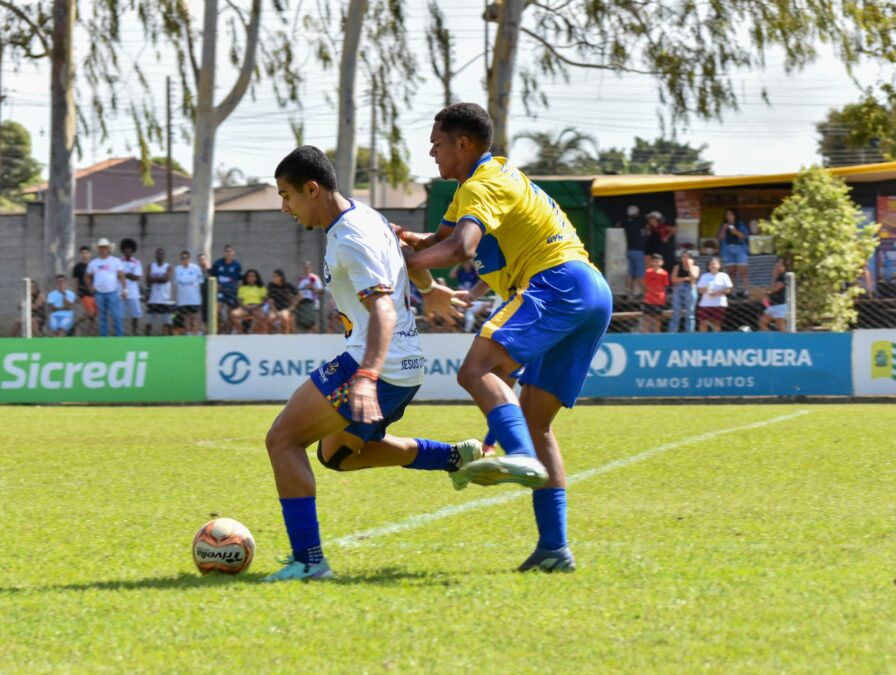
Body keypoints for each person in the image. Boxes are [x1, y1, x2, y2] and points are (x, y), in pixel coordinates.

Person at [402, 102, 613, 572]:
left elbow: (459, 248)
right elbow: (438, 239)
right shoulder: (475, 186)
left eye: (437, 143)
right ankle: (554, 550)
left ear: (463, 144)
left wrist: (411, 268)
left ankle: (514, 454)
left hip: (556, 282)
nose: (431, 151)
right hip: (588, 290)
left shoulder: (483, 183)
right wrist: (406, 243)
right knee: (536, 422)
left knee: (474, 370)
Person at [261, 146, 477, 581]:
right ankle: (454, 457)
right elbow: (401, 252)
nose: (285, 207)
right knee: (339, 455)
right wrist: (430, 288)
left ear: (312, 188)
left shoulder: (351, 238)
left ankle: (308, 561)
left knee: (282, 440)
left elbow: (382, 310)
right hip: (404, 365)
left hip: (375, 362)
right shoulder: (367, 217)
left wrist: (365, 375)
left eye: (287, 196)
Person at [85, 238, 126, 337]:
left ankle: (119, 338)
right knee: (102, 317)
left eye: (105, 248)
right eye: (101, 248)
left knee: (117, 316)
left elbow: (122, 276)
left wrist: (125, 289)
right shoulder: (93, 263)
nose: (103, 250)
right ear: (98, 249)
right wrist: (90, 287)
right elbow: (87, 276)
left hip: (113, 292)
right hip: (99, 293)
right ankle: (104, 339)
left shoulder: (115, 261)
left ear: (109, 249)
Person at [716, 209, 750, 297]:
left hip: (740, 248)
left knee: (743, 271)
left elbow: (744, 236)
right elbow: (720, 238)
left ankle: (746, 291)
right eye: (727, 215)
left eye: (731, 215)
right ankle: (733, 291)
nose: (729, 217)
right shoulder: (723, 225)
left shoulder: (740, 224)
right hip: (727, 248)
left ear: (735, 215)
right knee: (731, 272)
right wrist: (724, 229)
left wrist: (736, 231)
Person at [616, 205, 647, 296]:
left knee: (630, 273)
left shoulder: (625, 222)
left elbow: (617, 224)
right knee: (640, 274)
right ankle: (648, 295)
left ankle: (629, 294)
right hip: (638, 250)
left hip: (629, 250)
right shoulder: (639, 222)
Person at [210, 244, 243, 326]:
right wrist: (216, 285)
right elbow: (212, 276)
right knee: (217, 308)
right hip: (221, 290)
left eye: (230, 251)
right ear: (224, 253)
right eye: (226, 251)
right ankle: (220, 324)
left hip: (232, 291)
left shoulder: (237, 265)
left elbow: (239, 280)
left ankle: (227, 329)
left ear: (233, 253)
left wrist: (239, 291)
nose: (228, 253)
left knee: (231, 312)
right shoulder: (218, 263)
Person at [696, 257, 733, 332]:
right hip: (705, 304)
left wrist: (717, 293)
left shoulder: (724, 275)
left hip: (719, 303)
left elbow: (729, 289)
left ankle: (716, 341)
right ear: (708, 266)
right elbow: (699, 289)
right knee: (703, 323)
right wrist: (705, 289)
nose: (713, 266)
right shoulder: (704, 276)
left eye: (715, 264)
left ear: (719, 265)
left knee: (716, 323)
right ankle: (703, 341)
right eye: (711, 264)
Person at [174, 250, 205, 335]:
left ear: (189, 258)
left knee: (196, 317)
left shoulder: (196, 268)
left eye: (186, 258)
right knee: (186, 318)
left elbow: (200, 281)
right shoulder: (177, 269)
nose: (184, 260)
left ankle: (198, 333)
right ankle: (189, 334)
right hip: (183, 299)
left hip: (194, 298)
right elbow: (176, 283)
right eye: (182, 258)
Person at [145, 248, 176, 336]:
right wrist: (160, 278)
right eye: (158, 254)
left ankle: (172, 341)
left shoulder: (168, 266)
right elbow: (147, 280)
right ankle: (146, 340)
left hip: (164, 299)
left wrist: (154, 278)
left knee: (168, 322)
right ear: (155, 255)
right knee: (149, 322)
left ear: (165, 256)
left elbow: (166, 279)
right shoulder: (151, 266)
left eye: (162, 254)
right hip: (153, 299)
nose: (160, 255)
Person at [668, 250, 698, 333]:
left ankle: (689, 335)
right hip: (678, 289)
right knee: (676, 313)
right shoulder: (677, 267)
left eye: (687, 257)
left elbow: (693, 278)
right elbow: (673, 279)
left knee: (690, 314)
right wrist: (685, 278)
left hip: (690, 289)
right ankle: (672, 334)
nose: (685, 259)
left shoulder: (695, 267)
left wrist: (690, 267)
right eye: (683, 257)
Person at [230, 269, 268, 334]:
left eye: (253, 276)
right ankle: (241, 332)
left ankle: (261, 334)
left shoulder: (261, 287)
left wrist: (255, 306)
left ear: (256, 277)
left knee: (262, 317)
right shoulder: (242, 288)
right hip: (245, 307)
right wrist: (245, 306)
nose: (251, 278)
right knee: (233, 314)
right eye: (249, 276)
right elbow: (240, 300)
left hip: (257, 307)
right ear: (246, 278)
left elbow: (263, 300)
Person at [119, 238, 144, 336]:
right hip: (121, 292)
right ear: (123, 250)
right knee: (120, 315)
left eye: (129, 248)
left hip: (133, 293)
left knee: (136, 314)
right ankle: (121, 334)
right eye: (125, 248)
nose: (127, 250)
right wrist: (128, 274)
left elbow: (137, 277)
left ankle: (135, 334)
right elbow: (116, 275)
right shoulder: (118, 261)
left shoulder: (137, 262)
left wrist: (124, 274)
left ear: (133, 250)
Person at [71, 245, 97, 335]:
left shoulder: (94, 265)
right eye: (82, 253)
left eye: (86, 253)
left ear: (90, 254)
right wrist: (75, 294)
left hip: (95, 293)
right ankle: (74, 324)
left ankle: (91, 333)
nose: (84, 255)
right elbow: (75, 281)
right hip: (84, 292)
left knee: (94, 316)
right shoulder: (77, 267)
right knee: (90, 312)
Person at [759, 258, 788, 332]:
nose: (778, 267)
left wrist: (767, 291)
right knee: (762, 323)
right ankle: (770, 340)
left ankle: (786, 342)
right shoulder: (776, 277)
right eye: (776, 265)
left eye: (780, 265)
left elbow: (776, 288)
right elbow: (772, 287)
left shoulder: (783, 276)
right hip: (772, 305)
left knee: (780, 327)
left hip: (780, 305)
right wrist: (774, 276)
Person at [641, 254, 669, 333]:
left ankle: (657, 341)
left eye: (658, 261)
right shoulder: (647, 272)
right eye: (655, 261)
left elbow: (665, 286)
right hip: (648, 300)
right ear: (652, 262)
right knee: (646, 320)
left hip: (659, 300)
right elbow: (644, 284)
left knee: (657, 321)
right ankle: (645, 340)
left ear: (662, 262)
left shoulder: (664, 273)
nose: (656, 263)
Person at [295, 261, 325, 333]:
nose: (306, 269)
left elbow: (321, 292)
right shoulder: (301, 279)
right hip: (302, 304)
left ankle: (316, 338)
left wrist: (312, 288)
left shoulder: (314, 278)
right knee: (304, 324)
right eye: (305, 268)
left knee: (314, 322)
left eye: (307, 267)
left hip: (313, 303)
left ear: (311, 268)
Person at [265, 269, 298, 334]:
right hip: (274, 309)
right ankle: (271, 336)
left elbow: (299, 295)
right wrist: (276, 312)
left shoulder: (287, 285)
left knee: (284, 318)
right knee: (269, 320)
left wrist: (293, 306)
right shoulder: (271, 286)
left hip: (285, 309)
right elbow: (270, 300)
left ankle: (286, 336)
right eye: (273, 277)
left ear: (281, 277)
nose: (273, 278)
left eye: (275, 277)